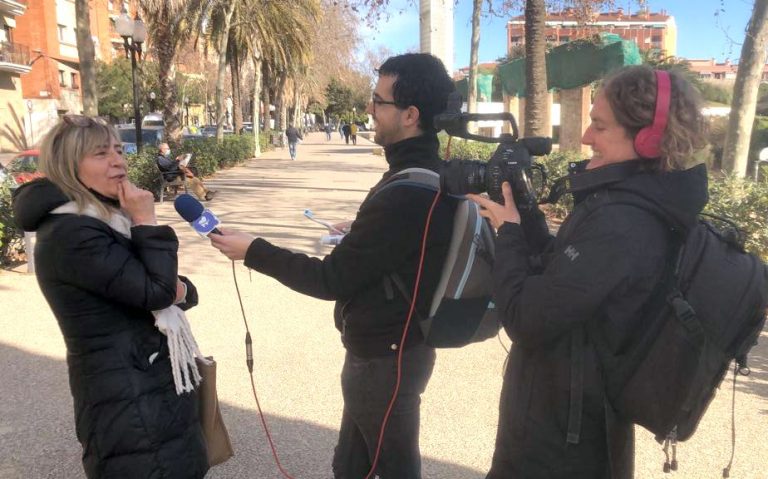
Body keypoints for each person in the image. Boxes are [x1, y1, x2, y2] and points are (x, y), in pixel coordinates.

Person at [209, 53, 457, 479]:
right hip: (391, 349)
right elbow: (408, 247)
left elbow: (330, 279)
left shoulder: (406, 191)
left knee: (393, 467)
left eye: (379, 101)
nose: (369, 110)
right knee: (351, 464)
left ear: (411, 114)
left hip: (385, 359)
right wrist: (363, 231)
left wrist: (253, 250)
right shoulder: (429, 171)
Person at [468, 65, 708, 479]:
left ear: (647, 138)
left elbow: (528, 317)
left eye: (599, 125)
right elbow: (563, 278)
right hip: (570, 425)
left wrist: (507, 234)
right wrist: (525, 217)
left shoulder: (624, 223)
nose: (585, 138)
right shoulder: (628, 203)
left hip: (563, 446)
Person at [11, 115, 209, 478]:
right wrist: (146, 223)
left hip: (149, 387)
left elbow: (176, 289)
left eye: (118, 150)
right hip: (128, 401)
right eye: (101, 154)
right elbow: (159, 290)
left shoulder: (105, 219)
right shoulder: (73, 234)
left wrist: (172, 287)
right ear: (69, 165)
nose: (118, 160)